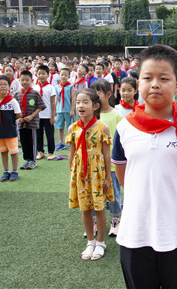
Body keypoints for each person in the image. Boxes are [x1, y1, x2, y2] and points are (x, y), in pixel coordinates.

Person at [112, 45, 177, 289]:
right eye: (147, 78)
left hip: (175, 232)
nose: (155, 84)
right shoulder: (125, 127)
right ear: (138, 84)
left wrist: (176, 199)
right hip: (134, 231)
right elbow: (123, 174)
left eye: (164, 78)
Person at [66, 89, 114, 261]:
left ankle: (101, 242)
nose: (80, 105)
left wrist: (108, 177)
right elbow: (72, 153)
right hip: (80, 174)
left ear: (95, 106)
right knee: (85, 208)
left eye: (85, 102)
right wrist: (72, 174)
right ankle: (91, 241)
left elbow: (107, 155)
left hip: (97, 174)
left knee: (99, 208)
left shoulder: (103, 128)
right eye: (78, 102)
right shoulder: (73, 127)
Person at [90, 79, 123, 237]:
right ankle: (95, 220)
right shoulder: (91, 115)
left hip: (111, 162)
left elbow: (121, 138)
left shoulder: (116, 115)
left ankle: (115, 219)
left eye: (98, 93)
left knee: (113, 192)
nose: (95, 96)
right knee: (94, 192)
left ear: (108, 94)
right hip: (93, 162)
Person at [0, 75, 22, 182]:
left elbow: (18, 115)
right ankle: (6, 171)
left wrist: (9, 120)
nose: (3, 87)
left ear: (9, 87)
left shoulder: (12, 101)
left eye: (5, 84)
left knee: (13, 152)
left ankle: (14, 171)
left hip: (10, 131)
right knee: (3, 152)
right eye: (0, 84)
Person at [14, 70, 45, 170]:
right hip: (21, 123)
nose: (24, 82)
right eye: (22, 80)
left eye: (27, 80)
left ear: (32, 80)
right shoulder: (17, 94)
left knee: (32, 141)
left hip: (32, 122)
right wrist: (19, 118)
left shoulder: (35, 93)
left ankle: (32, 160)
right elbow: (15, 108)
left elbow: (40, 106)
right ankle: (26, 159)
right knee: (23, 141)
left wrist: (31, 116)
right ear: (19, 80)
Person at [34, 65, 57, 160]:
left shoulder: (51, 87)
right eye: (39, 74)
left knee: (49, 134)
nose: (41, 76)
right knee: (38, 135)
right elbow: (32, 102)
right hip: (37, 116)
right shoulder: (34, 88)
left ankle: (51, 152)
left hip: (48, 115)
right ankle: (40, 151)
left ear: (48, 75)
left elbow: (53, 102)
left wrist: (52, 116)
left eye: (43, 74)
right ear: (36, 75)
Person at [55, 68, 75, 154]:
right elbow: (56, 99)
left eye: (65, 75)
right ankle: (61, 142)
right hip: (59, 110)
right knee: (60, 126)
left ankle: (71, 142)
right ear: (59, 75)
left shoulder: (71, 86)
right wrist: (55, 110)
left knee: (70, 127)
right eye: (62, 74)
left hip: (68, 109)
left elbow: (73, 98)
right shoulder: (56, 87)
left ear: (69, 76)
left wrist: (72, 109)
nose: (63, 76)